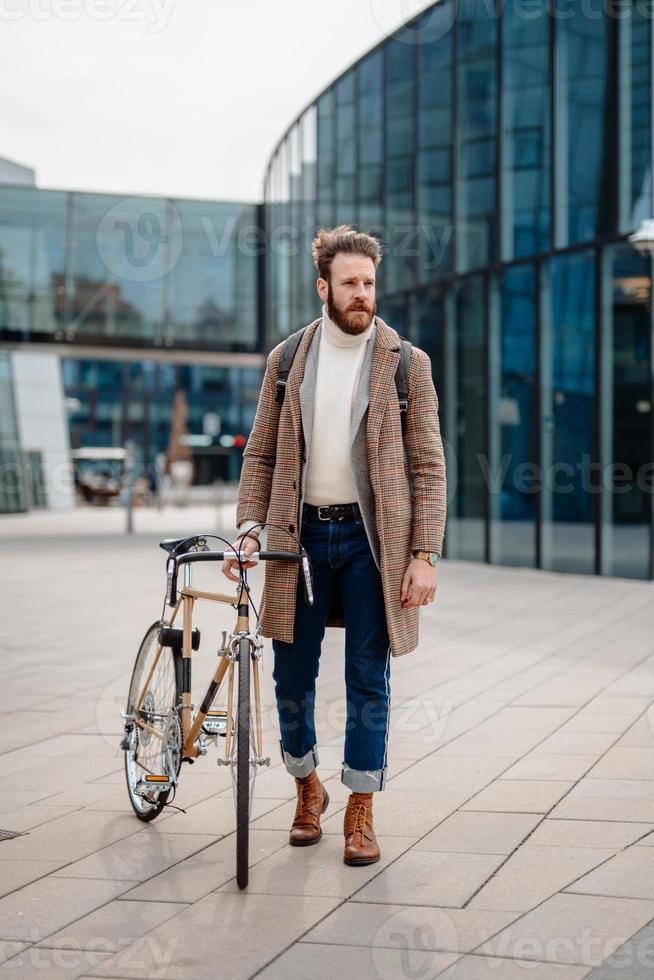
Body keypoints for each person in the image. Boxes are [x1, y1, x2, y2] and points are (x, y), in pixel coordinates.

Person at [222, 225, 446, 866]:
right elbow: (260, 451)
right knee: (291, 675)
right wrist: (248, 528)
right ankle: (306, 789)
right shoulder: (288, 359)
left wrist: (424, 553)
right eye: (349, 282)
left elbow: (429, 465)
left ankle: (360, 809)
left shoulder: (406, 364)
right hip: (301, 538)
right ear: (323, 286)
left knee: (367, 679)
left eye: (369, 283)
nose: (361, 294)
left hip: (376, 544)